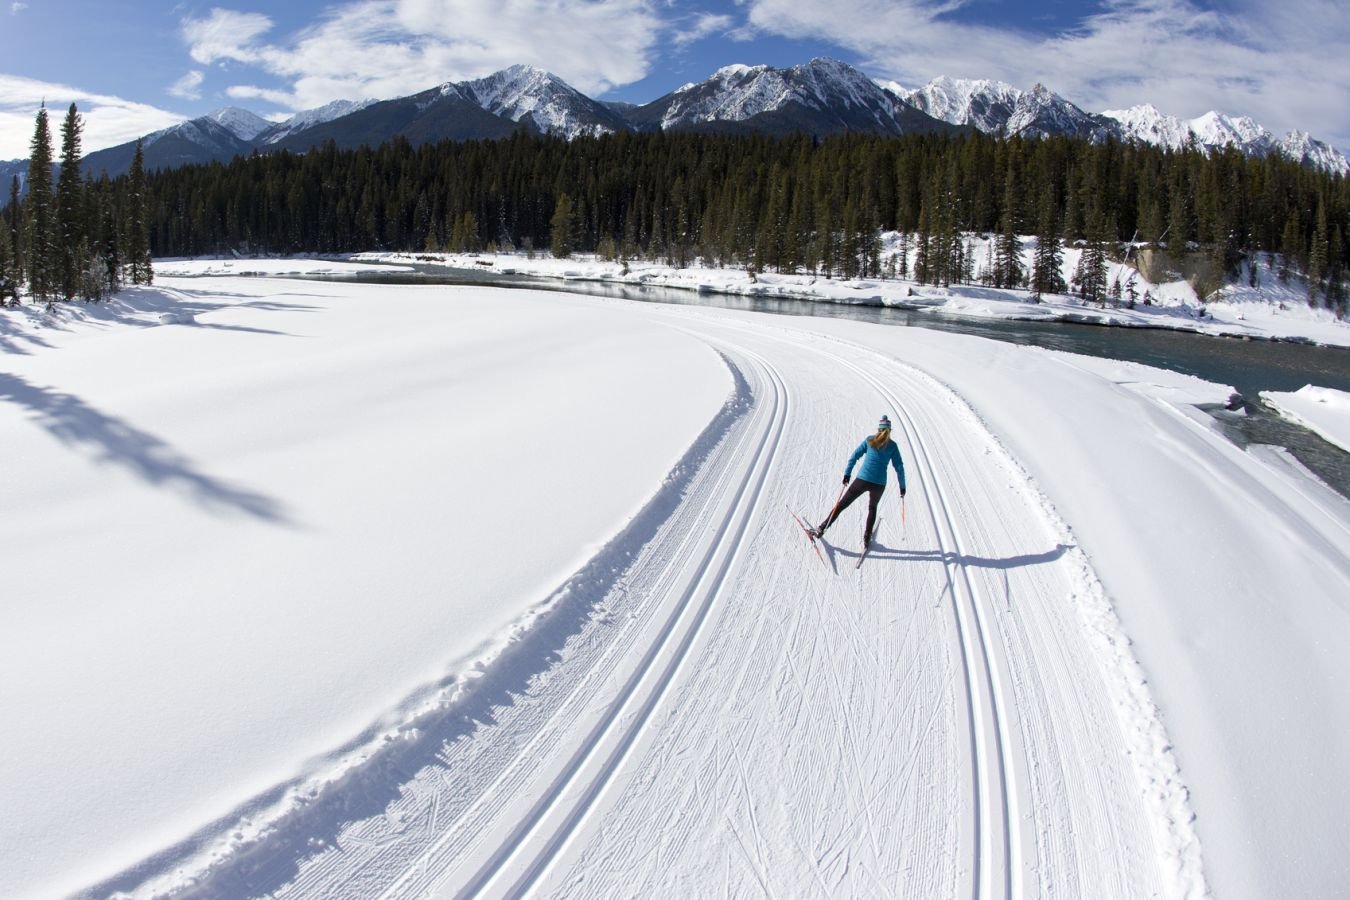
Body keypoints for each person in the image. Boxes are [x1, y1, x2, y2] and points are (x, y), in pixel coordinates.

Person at [811, 415, 907, 546]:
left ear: (878, 429)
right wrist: (902, 487)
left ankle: (821, 528)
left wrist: (847, 474)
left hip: (862, 480)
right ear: (890, 431)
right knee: (872, 508)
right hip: (879, 484)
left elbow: (854, 456)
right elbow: (899, 468)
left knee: (841, 505)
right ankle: (867, 538)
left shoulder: (869, 440)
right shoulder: (893, 446)